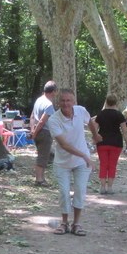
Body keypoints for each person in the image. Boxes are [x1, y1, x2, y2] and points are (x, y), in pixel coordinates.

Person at [47, 89, 100, 236]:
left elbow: (90, 122)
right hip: (63, 162)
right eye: (62, 101)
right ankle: (64, 223)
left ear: (74, 101)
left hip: (81, 162)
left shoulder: (81, 111)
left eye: (68, 100)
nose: (65, 103)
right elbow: (64, 145)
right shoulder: (53, 120)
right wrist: (85, 155)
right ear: (58, 102)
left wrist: (95, 136)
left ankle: (76, 223)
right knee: (64, 192)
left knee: (80, 191)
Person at [93, 94, 127, 194]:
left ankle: (102, 187)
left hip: (102, 142)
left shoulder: (100, 114)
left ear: (106, 102)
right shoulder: (119, 115)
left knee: (103, 164)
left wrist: (95, 138)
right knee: (112, 165)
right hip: (116, 142)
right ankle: (110, 187)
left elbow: (95, 128)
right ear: (116, 102)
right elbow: (124, 131)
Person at [29, 81, 57, 187]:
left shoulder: (38, 100)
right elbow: (42, 121)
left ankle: (41, 177)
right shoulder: (48, 104)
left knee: (43, 154)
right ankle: (39, 179)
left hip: (37, 131)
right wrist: (35, 133)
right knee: (43, 156)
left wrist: (32, 130)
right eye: (55, 92)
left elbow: (32, 116)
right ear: (53, 91)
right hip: (44, 132)